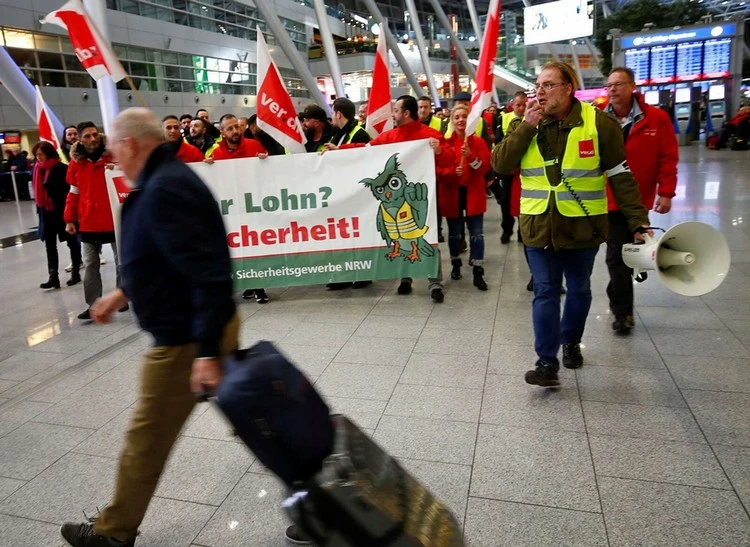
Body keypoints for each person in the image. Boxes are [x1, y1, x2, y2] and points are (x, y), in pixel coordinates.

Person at [59, 107, 243, 547]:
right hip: (195, 332)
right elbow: (160, 257)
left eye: (113, 148)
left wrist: (204, 352)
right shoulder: (160, 183)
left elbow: (209, 273)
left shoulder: (165, 188)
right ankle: (318, 492)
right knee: (255, 416)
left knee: (146, 440)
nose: (110, 157)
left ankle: (112, 533)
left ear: (132, 145)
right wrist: (122, 293)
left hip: (184, 342)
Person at [492, 62, 650, 388]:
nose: (540, 91)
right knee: (546, 291)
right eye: (539, 85)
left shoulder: (599, 124)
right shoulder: (524, 123)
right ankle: (546, 363)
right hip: (538, 226)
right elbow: (501, 164)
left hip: (583, 228)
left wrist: (638, 221)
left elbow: (620, 176)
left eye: (549, 85)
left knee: (578, 290)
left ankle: (570, 341)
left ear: (568, 88)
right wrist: (526, 127)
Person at [329, 95, 455, 303]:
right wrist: (339, 149)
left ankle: (434, 281)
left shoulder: (430, 136)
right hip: (396, 203)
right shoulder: (390, 137)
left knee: (428, 237)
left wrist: (439, 150)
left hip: (424, 200)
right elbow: (366, 150)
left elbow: (449, 159)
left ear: (406, 113)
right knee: (399, 236)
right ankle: (405, 277)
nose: (393, 114)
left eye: (396, 110)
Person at [604, 67, 678, 335]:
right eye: (609, 85)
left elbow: (668, 157)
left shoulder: (655, 119)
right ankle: (621, 305)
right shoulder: (599, 118)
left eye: (618, 84)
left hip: (638, 200)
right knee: (617, 256)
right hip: (606, 198)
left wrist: (666, 192)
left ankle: (620, 303)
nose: (612, 89)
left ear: (632, 86)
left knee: (627, 255)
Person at [64, 121, 126, 322]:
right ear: (79, 140)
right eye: (87, 136)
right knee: (91, 264)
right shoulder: (76, 163)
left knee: (121, 262)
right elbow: (73, 192)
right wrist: (70, 219)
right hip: (89, 220)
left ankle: (121, 298)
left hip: (114, 218)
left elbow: (130, 175)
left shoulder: (113, 155)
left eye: (94, 134)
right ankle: (93, 304)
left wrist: (116, 168)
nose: (93, 139)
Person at [206, 114, 269, 303]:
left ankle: (259, 287)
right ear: (222, 132)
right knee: (237, 249)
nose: (235, 131)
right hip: (232, 210)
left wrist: (265, 161)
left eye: (236, 127)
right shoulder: (217, 153)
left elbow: (269, 173)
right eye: (230, 128)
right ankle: (249, 284)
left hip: (253, 206)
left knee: (254, 247)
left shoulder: (254, 146)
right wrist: (207, 166)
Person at [437, 104, 491, 290]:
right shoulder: (445, 144)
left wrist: (470, 157)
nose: (461, 120)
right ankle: (456, 264)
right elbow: (438, 170)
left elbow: (484, 168)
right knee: (454, 234)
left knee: (477, 234)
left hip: (473, 193)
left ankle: (478, 270)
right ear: (452, 121)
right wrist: (452, 172)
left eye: (464, 117)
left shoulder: (478, 143)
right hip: (452, 193)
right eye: (457, 117)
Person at [324, 97, 372, 290]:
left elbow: (363, 158)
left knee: (358, 234)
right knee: (343, 235)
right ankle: (343, 274)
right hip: (341, 191)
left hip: (357, 192)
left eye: (332, 113)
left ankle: (363, 273)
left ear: (338, 114)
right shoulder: (337, 134)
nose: (332, 117)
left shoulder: (359, 134)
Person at [32, 140, 82, 289]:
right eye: (36, 155)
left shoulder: (62, 169)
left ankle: (75, 273)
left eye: (41, 154)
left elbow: (69, 192)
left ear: (48, 154)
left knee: (72, 243)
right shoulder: (37, 170)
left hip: (62, 212)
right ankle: (53, 276)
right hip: (46, 212)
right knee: (50, 245)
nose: (38, 158)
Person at [492, 91, 527, 244]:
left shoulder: (532, 119)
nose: (521, 108)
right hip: (508, 168)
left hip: (525, 167)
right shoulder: (503, 118)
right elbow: (499, 141)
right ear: (513, 105)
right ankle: (507, 229)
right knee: (505, 200)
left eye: (524, 105)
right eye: (518, 105)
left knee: (523, 200)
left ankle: (522, 230)